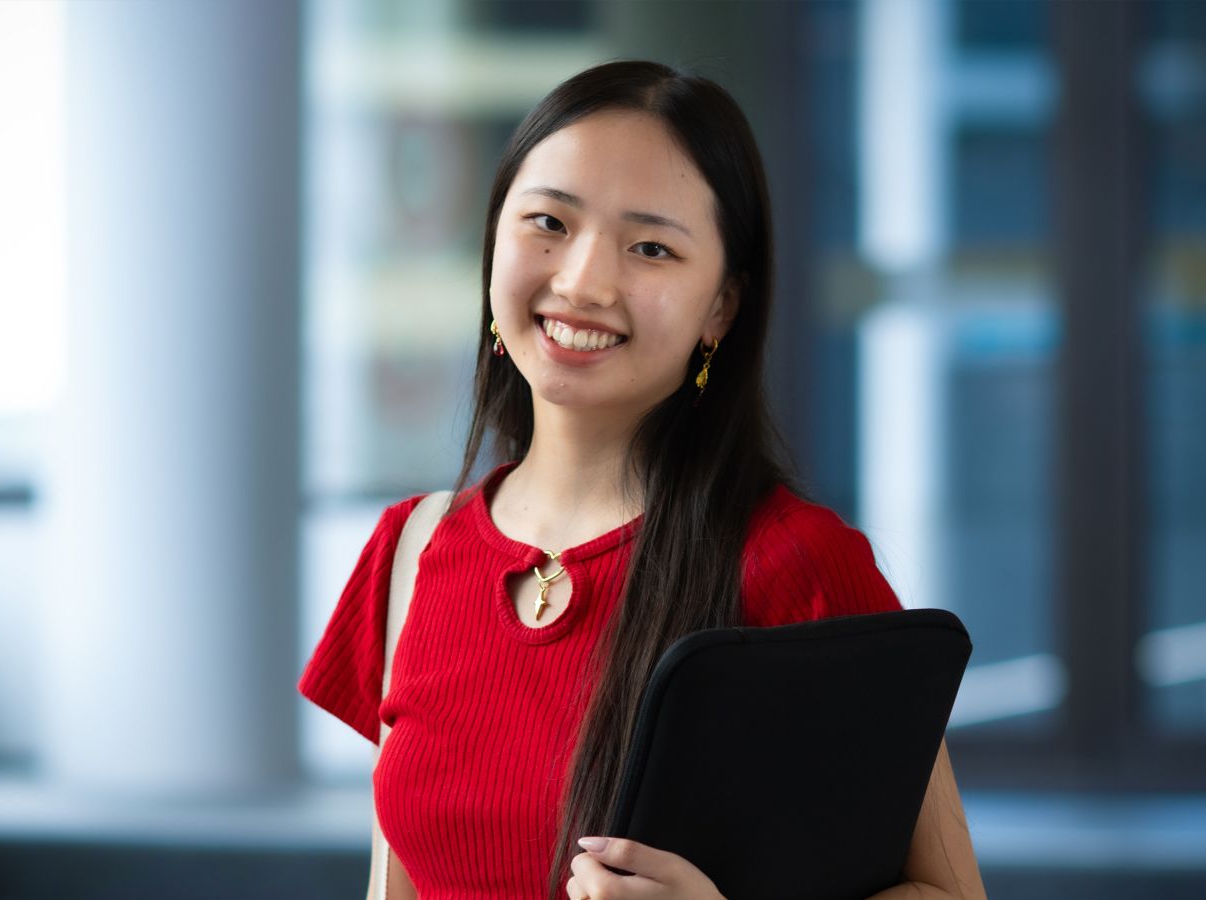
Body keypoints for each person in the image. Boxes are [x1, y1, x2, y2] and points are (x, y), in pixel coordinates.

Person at [299, 59, 986, 900]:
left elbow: (951, 894)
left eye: (651, 247)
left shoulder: (795, 566)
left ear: (722, 309)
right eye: (548, 221)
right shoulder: (412, 551)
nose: (583, 281)